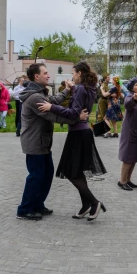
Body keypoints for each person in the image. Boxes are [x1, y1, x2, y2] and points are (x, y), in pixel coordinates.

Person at [16, 63, 88, 221]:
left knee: (47, 174)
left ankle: (37, 204)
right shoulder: (35, 97)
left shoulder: (39, 92)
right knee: (36, 176)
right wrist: (77, 118)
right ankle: (25, 209)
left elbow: (53, 101)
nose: (49, 76)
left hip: (42, 142)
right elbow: (52, 115)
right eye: (46, 73)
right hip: (35, 143)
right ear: (37, 76)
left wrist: (67, 90)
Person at [37, 61, 107, 221]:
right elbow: (79, 105)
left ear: (80, 74)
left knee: (69, 172)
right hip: (83, 132)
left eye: (73, 73)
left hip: (78, 133)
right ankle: (86, 206)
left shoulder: (81, 88)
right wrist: (72, 88)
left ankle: (94, 202)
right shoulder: (88, 88)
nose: (72, 76)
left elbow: (74, 112)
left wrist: (51, 107)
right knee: (77, 171)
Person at [117, 77, 137, 191]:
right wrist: (134, 98)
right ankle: (122, 181)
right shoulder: (130, 96)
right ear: (132, 87)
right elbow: (128, 104)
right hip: (130, 132)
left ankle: (128, 180)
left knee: (133, 157)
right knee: (128, 157)